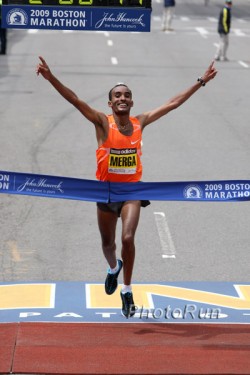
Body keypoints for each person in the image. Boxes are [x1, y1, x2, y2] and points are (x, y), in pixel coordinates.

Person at [36, 56, 217, 318]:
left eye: (127, 95)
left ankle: (127, 290)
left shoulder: (139, 122)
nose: (122, 98)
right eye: (118, 95)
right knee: (108, 244)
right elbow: (74, 100)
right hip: (105, 191)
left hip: (132, 191)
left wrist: (201, 81)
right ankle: (113, 269)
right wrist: (51, 77)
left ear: (132, 102)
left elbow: (173, 103)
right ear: (110, 103)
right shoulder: (101, 121)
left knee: (128, 238)